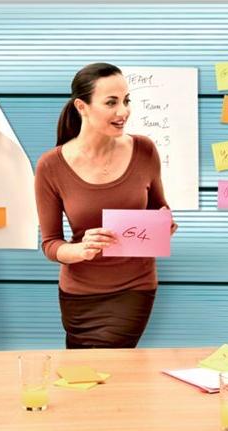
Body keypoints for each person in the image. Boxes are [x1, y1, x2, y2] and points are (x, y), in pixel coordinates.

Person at [34, 62, 176, 349]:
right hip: (78, 294)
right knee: (83, 368)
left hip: (134, 288)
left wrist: (164, 224)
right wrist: (81, 249)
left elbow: (159, 208)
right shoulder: (50, 166)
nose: (123, 111)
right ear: (82, 107)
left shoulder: (145, 150)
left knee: (110, 364)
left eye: (126, 101)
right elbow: (50, 244)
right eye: (111, 102)